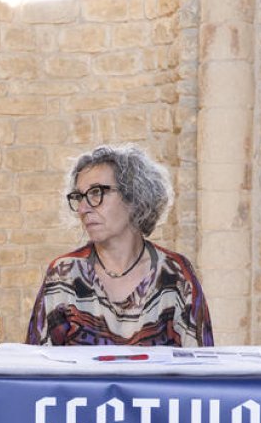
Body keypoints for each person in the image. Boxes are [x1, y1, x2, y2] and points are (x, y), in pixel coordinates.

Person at [26, 144, 213, 346]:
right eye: (79, 197)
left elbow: (201, 361)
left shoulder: (176, 276)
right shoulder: (63, 275)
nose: (83, 208)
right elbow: (36, 362)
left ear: (134, 197)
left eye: (96, 192)